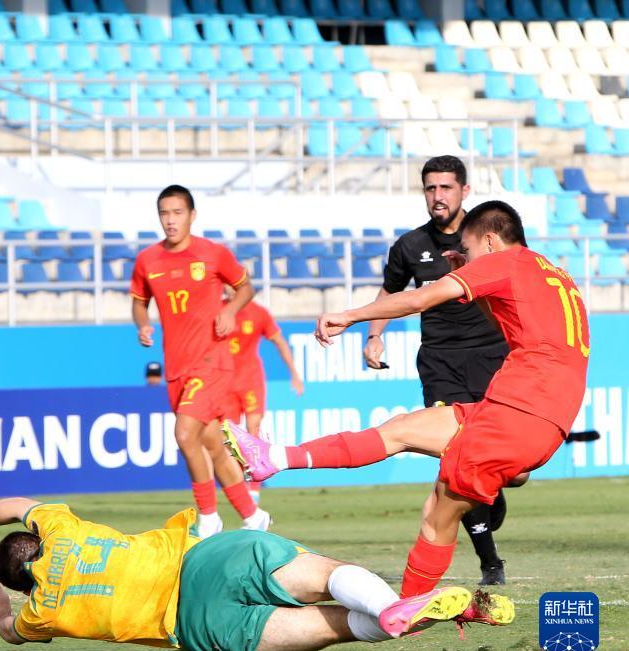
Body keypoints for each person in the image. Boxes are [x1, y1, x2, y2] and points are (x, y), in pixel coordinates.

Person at [224, 201, 589, 600]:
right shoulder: (553, 273)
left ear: (489, 240)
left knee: (437, 515)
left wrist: (351, 316)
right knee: (399, 430)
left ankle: (405, 614)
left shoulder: (504, 261)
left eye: (467, 250)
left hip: (519, 412)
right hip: (530, 412)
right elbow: (510, 323)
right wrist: (469, 276)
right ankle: (275, 457)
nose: (465, 258)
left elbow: (419, 300)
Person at [0, 498, 512, 651]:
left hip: (198, 626)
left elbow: (13, 633)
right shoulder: (62, 530)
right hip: (205, 559)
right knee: (328, 575)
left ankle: (413, 616)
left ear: (23, 585)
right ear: (37, 540)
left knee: (337, 628)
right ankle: (405, 605)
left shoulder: (41, 613)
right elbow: (17, 505)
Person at [364, 156, 513, 585]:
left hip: (493, 358)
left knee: (506, 466)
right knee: (457, 454)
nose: (437, 196)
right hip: (440, 363)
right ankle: (490, 562)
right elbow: (390, 292)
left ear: (465, 191)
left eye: (446, 188)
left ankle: (493, 491)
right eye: (430, 188)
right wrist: (374, 335)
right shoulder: (410, 246)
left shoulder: (487, 239)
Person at [130, 185, 269, 536]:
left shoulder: (213, 254)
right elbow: (139, 301)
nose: (170, 220)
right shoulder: (148, 260)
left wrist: (231, 310)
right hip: (176, 368)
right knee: (212, 444)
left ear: (192, 215)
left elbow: (246, 287)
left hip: (212, 362)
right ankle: (253, 515)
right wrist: (142, 324)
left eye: (177, 213)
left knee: (183, 432)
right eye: (164, 213)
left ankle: (208, 517)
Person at [224, 294, 305, 503]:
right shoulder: (217, 310)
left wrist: (294, 373)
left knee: (253, 430)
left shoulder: (258, 313)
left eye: (233, 285)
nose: (229, 290)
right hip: (224, 383)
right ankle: (240, 484)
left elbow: (279, 341)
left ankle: (253, 489)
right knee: (228, 436)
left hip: (250, 381)